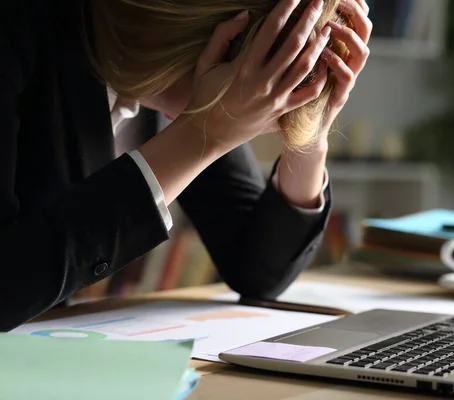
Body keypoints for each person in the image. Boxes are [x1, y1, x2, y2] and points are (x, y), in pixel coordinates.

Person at [0, 0, 372, 331]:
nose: (260, 122)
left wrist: (309, 130)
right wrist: (200, 135)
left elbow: (256, 272)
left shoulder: (184, 75)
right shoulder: (19, 27)